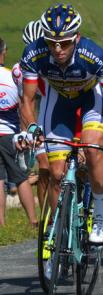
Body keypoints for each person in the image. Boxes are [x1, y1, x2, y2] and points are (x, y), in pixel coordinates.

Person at [18, 3, 103, 244]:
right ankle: (63, 229)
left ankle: (99, 215)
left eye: (65, 43)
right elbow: (26, 99)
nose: (57, 49)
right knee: (55, 173)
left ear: (76, 38)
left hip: (91, 97)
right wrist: (33, 127)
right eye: (51, 42)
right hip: (58, 100)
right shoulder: (33, 53)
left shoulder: (93, 54)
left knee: (91, 147)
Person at [0, 37, 37, 227]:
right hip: (10, 135)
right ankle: (32, 220)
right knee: (21, 178)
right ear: (3, 52)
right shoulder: (10, 76)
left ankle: (1, 222)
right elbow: (23, 105)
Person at [12, 20, 48, 210]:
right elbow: (26, 103)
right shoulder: (20, 70)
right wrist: (26, 132)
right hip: (39, 110)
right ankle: (46, 221)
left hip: (56, 106)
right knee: (45, 168)